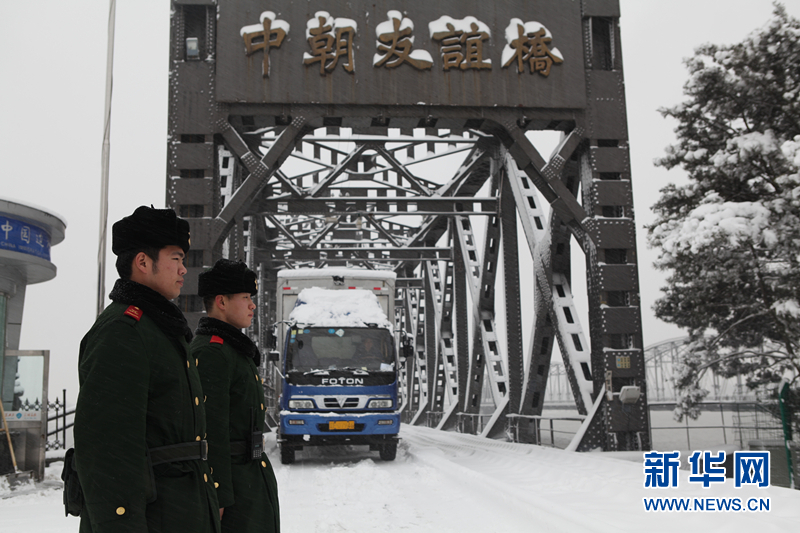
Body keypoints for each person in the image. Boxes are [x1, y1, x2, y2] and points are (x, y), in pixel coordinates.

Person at [73, 206, 220, 533]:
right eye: (176, 258)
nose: (183, 269)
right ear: (142, 262)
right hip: (156, 518)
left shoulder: (159, 329)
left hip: (180, 512)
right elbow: (107, 446)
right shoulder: (124, 331)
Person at [191, 259, 280, 533]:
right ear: (221, 301)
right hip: (234, 486)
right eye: (245, 297)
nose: (252, 305)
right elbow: (210, 430)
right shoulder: (212, 353)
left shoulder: (233, 351)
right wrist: (218, 494)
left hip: (249, 476)